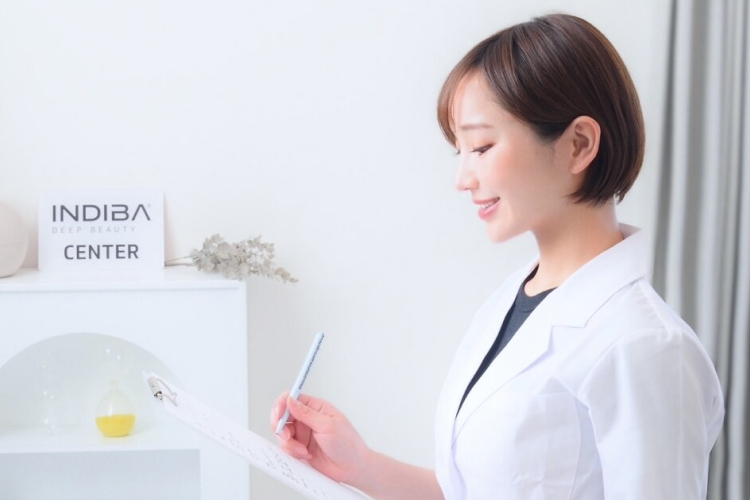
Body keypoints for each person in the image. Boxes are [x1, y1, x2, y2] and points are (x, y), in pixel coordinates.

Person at [270, 13, 724, 500]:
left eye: (482, 147)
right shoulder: (511, 302)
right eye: (460, 151)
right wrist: (361, 466)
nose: (462, 179)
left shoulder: (645, 346)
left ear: (578, 145)